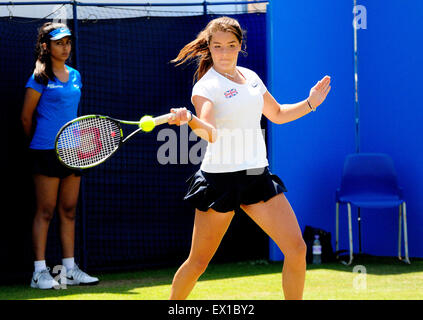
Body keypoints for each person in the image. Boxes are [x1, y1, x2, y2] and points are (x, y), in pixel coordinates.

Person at [167, 16, 331, 300]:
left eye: (231, 45)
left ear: (240, 46)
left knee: (297, 249)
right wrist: (191, 119)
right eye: (218, 46)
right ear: (209, 47)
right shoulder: (205, 87)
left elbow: (277, 114)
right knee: (198, 262)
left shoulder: (251, 77)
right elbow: (210, 133)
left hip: (257, 176)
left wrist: (310, 103)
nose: (225, 52)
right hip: (220, 181)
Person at [21, 22, 99, 289]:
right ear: (46, 46)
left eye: (67, 42)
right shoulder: (39, 78)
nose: (65, 47)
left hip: (73, 151)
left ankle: (68, 269)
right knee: (45, 211)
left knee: (68, 210)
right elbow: (25, 117)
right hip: (44, 151)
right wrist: (41, 143)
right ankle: (39, 273)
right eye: (59, 43)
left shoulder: (76, 75)